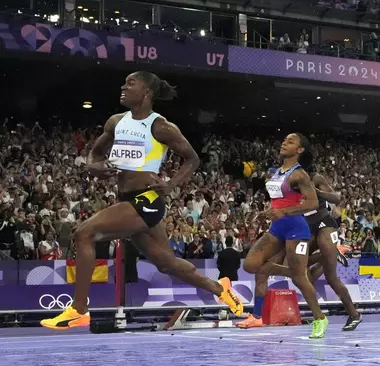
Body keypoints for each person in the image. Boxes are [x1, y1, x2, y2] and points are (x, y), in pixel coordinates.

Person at [41, 71, 243, 330]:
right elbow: (94, 153)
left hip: (147, 200)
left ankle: (79, 309)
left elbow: (193, 159)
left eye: (130, 84)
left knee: (83, 233)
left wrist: (169, 185)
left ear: (146, 92)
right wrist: (95, 166)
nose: (123, 87)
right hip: (126, 199)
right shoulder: (116, 122)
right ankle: (219, 287)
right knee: (166, 263)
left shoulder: (161, 127)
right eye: (124, 82)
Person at [237, 167, 361, 331]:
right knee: (298, 272)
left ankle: (354, 314)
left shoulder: (315, 177)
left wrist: (316, 191)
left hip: (323, 223)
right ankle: (326, 256)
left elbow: (336, 198)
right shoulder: (287, 182)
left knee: (331, 278)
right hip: (302, 227)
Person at [242, 133, 329, 338]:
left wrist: (284, 212)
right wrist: (269, 212)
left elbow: (312, 203)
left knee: (299, 280)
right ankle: (296, 270)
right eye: (284, 140)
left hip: (296, 229)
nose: (284, 142)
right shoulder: (278, 172)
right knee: (251, 265)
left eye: (290, 141)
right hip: (277, 228)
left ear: (300, 150)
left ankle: (320, 319)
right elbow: (280, 201)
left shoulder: (299, 175)